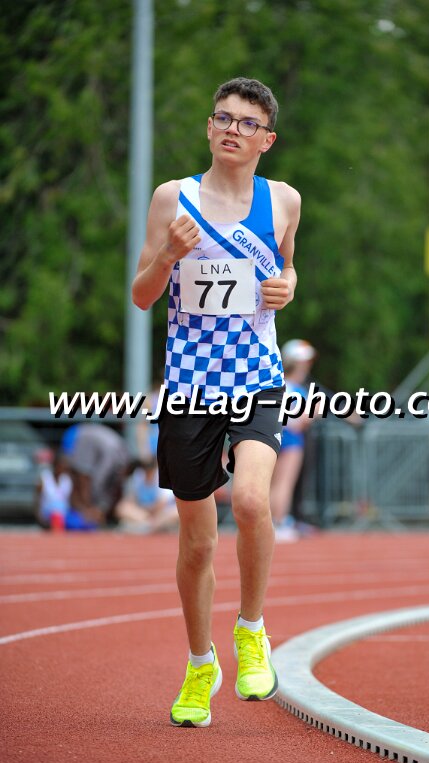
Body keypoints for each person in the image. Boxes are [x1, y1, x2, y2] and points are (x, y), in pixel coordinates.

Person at [132, 77, 300, 727]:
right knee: (198, 543)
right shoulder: (172, 199)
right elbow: (142, 294)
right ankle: (201, 663)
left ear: (266, 140)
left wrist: (286, 286)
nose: (233, 129)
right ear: (209, 128)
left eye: (246, 123)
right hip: (190, 385)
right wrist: (168, 256)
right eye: (223, 118)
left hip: (257, 376)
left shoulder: (283, 201)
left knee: (253, 501)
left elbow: (286, 267)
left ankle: (251, 630)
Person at [270, 339, 316, 541]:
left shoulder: (277, 385)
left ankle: (273, 523)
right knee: (283, 484)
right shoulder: (295, 389)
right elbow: (299, 420)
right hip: (291, 439)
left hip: (276, 435)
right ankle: (279, 522)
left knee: (273, 484)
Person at [62, 423, 130, 526]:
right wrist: (93, 507)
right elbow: (87, 478)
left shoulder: (115, 457)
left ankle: (91, 512)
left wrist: (99, 508)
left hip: (85, 438)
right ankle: (89, 512)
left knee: (86, 480)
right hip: (80, 437)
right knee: (83, 479)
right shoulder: (115, 456)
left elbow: (100, 480)